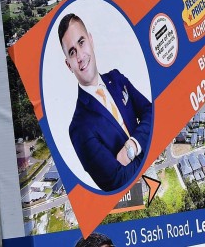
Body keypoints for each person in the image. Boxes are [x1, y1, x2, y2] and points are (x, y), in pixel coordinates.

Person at [58, 13, 153, 192]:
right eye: (72, 52)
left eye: (81, 42)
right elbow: (116, 181)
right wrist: (148, 144)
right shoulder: (78, 128)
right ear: (68, 65)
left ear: (91, 40)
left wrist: (132, 147)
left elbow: (151, 112)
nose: (80, 56)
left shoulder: (116, 78)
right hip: (137, 194)